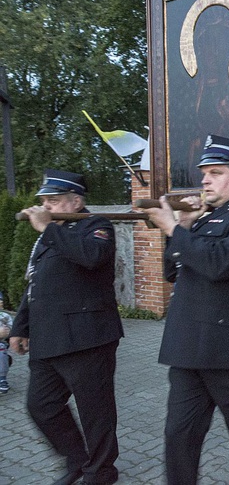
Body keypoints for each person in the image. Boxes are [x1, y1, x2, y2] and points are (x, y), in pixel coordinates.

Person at [144, 135, 229, 484]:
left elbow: (221, 263)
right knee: (179, 438)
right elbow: (173, 271)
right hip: (190, 348)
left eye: (216, 172)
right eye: (204, 172)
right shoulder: (204, 219)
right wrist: (184, 228)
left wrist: (174, 227)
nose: (204, 179)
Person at [9, 169, 124, 485]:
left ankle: (101, 471)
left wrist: (48, 229)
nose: (46, 206)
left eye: (54, 200)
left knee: (95, 413)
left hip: (87, 339)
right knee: (41, 406)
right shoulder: (52, 232)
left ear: (76, 201)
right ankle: (77, 460)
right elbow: (35, 283)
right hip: (49, 338)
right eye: (44, 200)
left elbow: (90, 257)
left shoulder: (96, 227)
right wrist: (21, 327)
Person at [0, 311, 12, 394]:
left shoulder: (4, 316)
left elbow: (10, 330)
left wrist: (6, 333)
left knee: (1, 347)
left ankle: (2, 378)